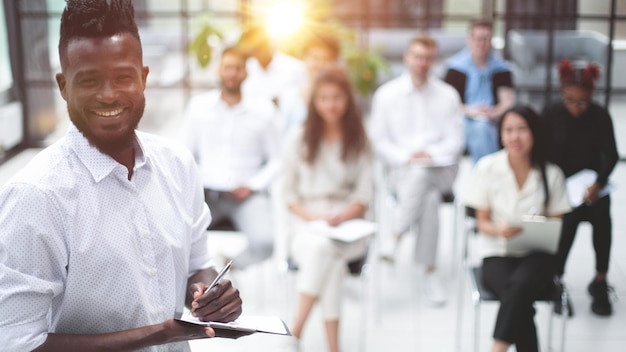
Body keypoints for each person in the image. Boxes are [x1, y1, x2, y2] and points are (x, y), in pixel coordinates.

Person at [0, 1, 242, 351]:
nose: (109, 94)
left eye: (124, 77)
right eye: (89, 80)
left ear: (143, 78)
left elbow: (198, 266)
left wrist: (209, 293)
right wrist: (160, 333)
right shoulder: (35, 197)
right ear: (63, 86)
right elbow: (17, 343)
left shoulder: (178, 165)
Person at [465, 105, 571, 352]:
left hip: (538, 256)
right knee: (519, 298)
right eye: (508, 130)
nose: (515, 137)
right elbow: (481, 223)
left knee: (519, 289)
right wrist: (499, 229)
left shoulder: (551, 173)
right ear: (501, 135)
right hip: (497, 251)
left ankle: (496, 349)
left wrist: (536, 226)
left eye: (522, 129)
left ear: (534, 132)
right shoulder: (487, 167)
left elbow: (558, 225)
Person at [282, 66, 373, 352]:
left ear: (347, 100)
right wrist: (316, 218)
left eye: (337, 97)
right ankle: (334, 348)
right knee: (326, 254)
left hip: (350, 226)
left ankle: (295, 331)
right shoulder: (297, 138)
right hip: (306, 224)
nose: (330, 104)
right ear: (314, 102)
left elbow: (364, 195)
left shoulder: (359, 140)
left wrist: (341, 216)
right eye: (323, 98)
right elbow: (289, 196)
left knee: (324, 250)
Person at [370, 35, 464, 306]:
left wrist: (430, 155)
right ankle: (429, 271)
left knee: (425, 176)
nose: (422, 63)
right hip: (402, 171)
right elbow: (379, 141)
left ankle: (395, 236)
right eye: (417, 56)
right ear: (407, 58)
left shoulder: (448, 95)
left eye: (428, 58)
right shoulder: (386, 95)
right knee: (429, 197)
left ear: (434, 61)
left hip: (442, 169)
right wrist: (407, 157)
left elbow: (456, 141)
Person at [182, 46, 279, 269]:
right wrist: (197, 184)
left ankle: (225, 268)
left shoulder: (263, 110)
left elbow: (277, 159)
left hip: (246, 194)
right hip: (206, 193)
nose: (232, 73)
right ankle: (197, 277)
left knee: (265, 243)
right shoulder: (199, 107)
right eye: (227, 67)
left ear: (246, 72)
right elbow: (185, 154)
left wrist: (253, 185)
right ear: (219, 70)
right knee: (175, 235)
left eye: (237, 68)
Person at [542, 59, 619, 316]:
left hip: (592, 187)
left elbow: (612, 155)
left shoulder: (599, 115)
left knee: (603, 224)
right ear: (562, 93)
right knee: (566, 226)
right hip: (561, 186)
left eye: (582, 101)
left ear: (591, 95)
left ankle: (599, 280)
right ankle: (555, 279)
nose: (576, 107)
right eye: (570, 100)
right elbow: (541, 156)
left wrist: (599, 183)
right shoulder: (552, 113)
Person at [445, 18, 515, 164]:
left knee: (484, 127)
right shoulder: (455, 68)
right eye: (477, 39)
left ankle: (484, 170)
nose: (481, 44)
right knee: (480, 128)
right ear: (469, 40)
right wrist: (473, 112)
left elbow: (507, 101)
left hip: (493, 119)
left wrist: (493, 112)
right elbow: (449, 103)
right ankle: (490, 168)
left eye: (485, 39)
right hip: (464, 117)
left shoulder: (501, 69)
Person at [280, 32, 342, 137]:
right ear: (305, 58)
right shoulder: (290, 97)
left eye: (327, 59)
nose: (321, 64)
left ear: (334, 62)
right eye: (315, 58)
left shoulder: (342, 99)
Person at [238, 24, 307, 106]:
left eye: (261, 45)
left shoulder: (296, 68)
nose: (258, 51)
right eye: (254, 47)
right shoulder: (245, 70)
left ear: (269, 42)